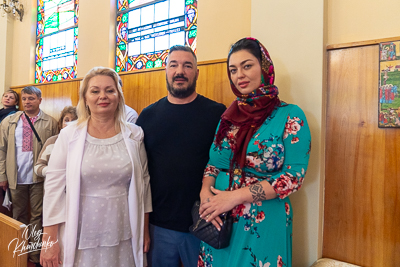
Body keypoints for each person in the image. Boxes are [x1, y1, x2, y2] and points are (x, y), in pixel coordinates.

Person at [197, 37, 311, 267]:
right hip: (219, 222)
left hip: (263, 222)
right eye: (233, 69)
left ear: (264, 68)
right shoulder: (229, 118)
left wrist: (235, 197)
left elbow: (292, 179)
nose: (239, 74)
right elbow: (214, 163)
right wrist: (205, 194)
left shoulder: (289, 115)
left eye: (247, 65)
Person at [40, 67, 152, 267]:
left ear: (118, 95)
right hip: (81, 226)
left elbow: (143, 184)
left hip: (123, 226)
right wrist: (49, 239)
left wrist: (144, 229)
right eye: (95, 91)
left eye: (110, 90)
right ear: (85, 97)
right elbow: (53, 189)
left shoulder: (135, 134)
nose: (103, 96)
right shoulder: (69, 135)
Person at [136, 45, 226, 267]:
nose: (180, 71)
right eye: (173, 65)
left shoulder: (217, 113)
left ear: (197, 72)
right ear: (165, 71)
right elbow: (139, 173)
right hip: (159, 225)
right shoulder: (147, 116)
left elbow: (224, 163)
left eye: (187, 66)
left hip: (204, 221)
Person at [0, 86, 58, 266]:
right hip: (15, 177)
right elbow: (1, 150)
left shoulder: (50, 122)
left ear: (40, 100)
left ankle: (34, 255)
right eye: (24, 98)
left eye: (31, 98)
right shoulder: (9, 121)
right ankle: (20, 253)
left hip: (39, 178)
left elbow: (55, 151)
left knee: (37, 217)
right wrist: (2, 175)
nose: (27, 102)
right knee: (19, 215)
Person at [34, 106, 78, 178]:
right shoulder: (51, 141)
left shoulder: (84, 142)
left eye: (73, 121)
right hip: (54, 185)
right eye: (66, 120)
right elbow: (38, 167)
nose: (69, 124)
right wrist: (54, 171)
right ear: (61, 123)